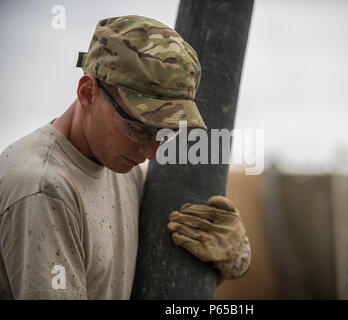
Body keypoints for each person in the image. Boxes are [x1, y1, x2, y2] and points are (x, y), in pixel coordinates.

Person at [0, 15, 250, 299]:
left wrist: (236, 255)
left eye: (166, 134)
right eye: (137, 129)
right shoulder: (43, 189)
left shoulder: (122, 170)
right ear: (87, 92)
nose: (152, 153)